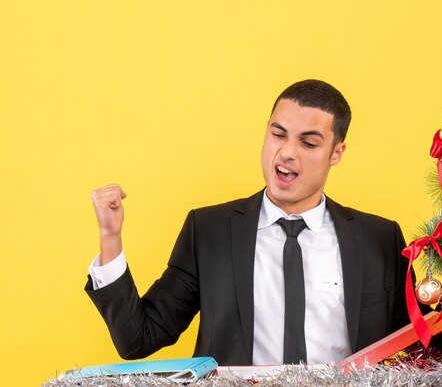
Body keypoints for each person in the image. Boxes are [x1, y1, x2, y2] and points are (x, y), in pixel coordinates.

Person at [86, 79, 419, 366]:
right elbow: (139, 339)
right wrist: (110, 238)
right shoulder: (209, 231)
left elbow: (422, 349)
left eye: (308, 143)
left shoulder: (380, 239)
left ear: (336, 153)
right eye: (278, 134)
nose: (287, 152)